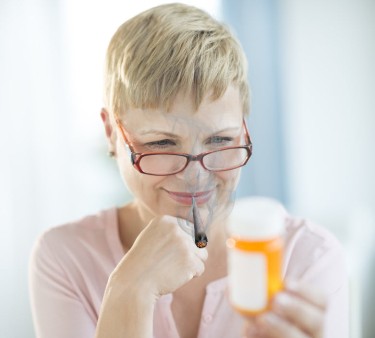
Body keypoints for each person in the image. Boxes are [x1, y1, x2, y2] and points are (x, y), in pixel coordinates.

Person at [29, 3, 348, 338]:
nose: (196, 176)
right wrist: (130, 290)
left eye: (220, 140)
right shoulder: (65, 257)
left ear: (244, 130)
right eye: (162, 144)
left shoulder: (308, 258)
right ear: (111, 132)